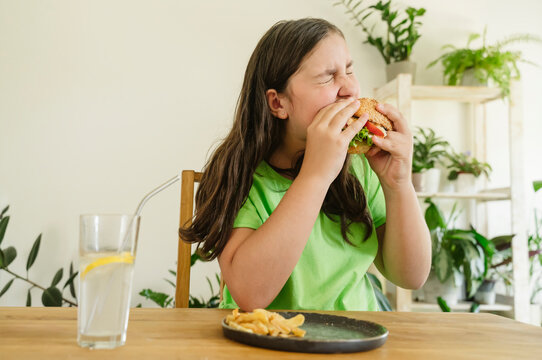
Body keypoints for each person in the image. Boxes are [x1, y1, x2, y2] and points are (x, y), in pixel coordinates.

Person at [180, 18, 431, 311]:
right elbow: (250, 294)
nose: (350, 89)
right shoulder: (240, 174)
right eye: (328, 76)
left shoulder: (361, 168)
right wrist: (315, 176)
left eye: (349, 70)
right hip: (264, 342)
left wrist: (398, 184)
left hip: (355, 340)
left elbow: (411, 276)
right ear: (278, 104)